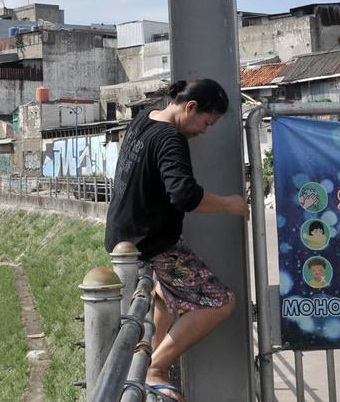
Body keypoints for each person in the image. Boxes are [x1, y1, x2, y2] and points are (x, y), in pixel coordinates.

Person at [105, 78, 249, 402]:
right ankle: (157, 367)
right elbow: (185, 195)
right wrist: (231, 204)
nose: (204, 130)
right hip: (153, 243)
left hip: (125, 235)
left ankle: (151, 362)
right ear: (191, 107)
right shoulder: (171, 139)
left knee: (165, 293)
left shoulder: (145, 118)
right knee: (221, 302)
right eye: (206, 122)